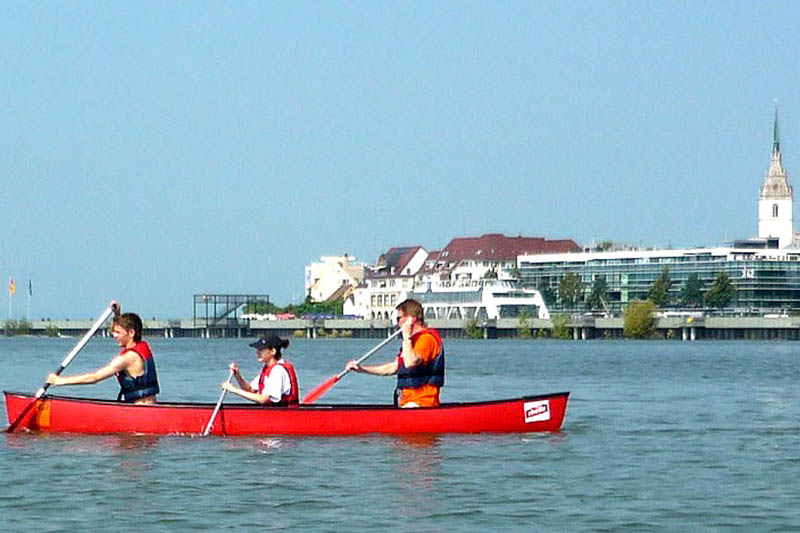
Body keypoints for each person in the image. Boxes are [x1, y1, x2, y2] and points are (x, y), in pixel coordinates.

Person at [46, 300, 160, 404]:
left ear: (131, 333)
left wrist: (60, 381)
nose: (114, 335)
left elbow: (94, 378)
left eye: (118, 333)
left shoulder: (126, 359)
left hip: (140, 412)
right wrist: (117, 314)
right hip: (147, 407)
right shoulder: (141, 347)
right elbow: (126, 326)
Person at [346, 299, 444, 408]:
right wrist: (362, 369)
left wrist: (406, 336)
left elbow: (410, 362)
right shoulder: (411, 343)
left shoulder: (426, 339)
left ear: (411, 319)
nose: (398, 323)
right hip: (407, 403)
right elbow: (393, 368)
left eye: (399, 318)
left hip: (422, 403)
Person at [222, 335, 299, 405]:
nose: (258, 352)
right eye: (258, 349)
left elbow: (264, 399)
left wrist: (233, 389)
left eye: (262, 349)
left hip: (283, 416)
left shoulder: (277, 371)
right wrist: (237, 375)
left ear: (273, 351)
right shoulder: (267, 369)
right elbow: (250, 390)